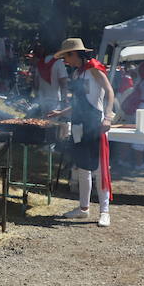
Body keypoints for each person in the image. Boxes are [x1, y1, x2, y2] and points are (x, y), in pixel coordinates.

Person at [49, 38, 115, 227]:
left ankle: (105, 211)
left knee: (100, 169)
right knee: (82, 168)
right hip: (79, 124)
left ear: (74, 53)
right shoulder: (77, 74)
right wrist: (61, 113)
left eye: (66, 56)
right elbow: (78, 103)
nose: (64, 61)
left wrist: (108, 117)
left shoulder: (94, 68)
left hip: (96, 124)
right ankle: (83, 208)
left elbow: (109, 91)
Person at [31, 44, 69, 116]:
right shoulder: (58, 62)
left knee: (43, 123)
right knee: (53, 124)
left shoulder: (40, 63)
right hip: (55, 101)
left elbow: (36, 84)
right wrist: (65, 100)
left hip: (42, 100)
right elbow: (63, 84)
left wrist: (37, 97)